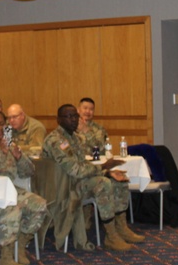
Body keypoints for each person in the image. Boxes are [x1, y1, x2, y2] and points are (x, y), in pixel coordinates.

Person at [43, 104, 140, 252]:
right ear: (58, 120)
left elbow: (82, 165)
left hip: (77, 182)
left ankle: (122, 228)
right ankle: (111, 236)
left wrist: (107, 172)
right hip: (63, 187)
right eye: (69, 117)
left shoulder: (73, 137)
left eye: (75, 116)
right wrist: (103, 168)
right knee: (103, 184)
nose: (74, 120)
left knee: (118, 179)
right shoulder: (56, 141)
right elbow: (76, 170)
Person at [0, 109, 48, 265]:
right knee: (12, 207)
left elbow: (28, 172)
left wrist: (19, 157)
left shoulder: (10, 143)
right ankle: (6, 258)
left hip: (10, 189)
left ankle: (21, 246)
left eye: (2, 124)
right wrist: (2, 154)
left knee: (39, 204)